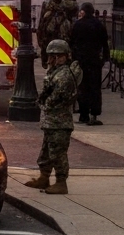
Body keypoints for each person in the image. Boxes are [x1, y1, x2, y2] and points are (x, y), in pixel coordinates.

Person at [23, 39, 81, 195]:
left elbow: (54, 99)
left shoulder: (63, 76)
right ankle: (44, 177)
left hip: (59, 122)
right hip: (52, 122)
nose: (49, 60)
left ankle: (61, 182)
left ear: (61, 56)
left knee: (58, 153)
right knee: (46, 152)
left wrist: (44, 103)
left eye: (52, 56)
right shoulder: (55, 72)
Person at [70, 2, 110, 126]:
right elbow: (105, 44)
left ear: (83, 11)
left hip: (81, 60)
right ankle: (94, 115)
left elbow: (72, 43)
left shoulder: (77, 25)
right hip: (94, 61)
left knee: (82, 88)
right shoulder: (99, 25)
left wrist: (73, 59)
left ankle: (84, 115)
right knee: (95, 88)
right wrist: (105, 58)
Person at [37, 0, 79, 68]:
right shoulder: (47, 5)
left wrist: (61, 1)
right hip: (50, 40)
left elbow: (74, 7)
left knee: (63, 64)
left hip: (63, 40)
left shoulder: (67, 1)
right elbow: (42, 25)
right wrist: (41, 43)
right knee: (52, 66)